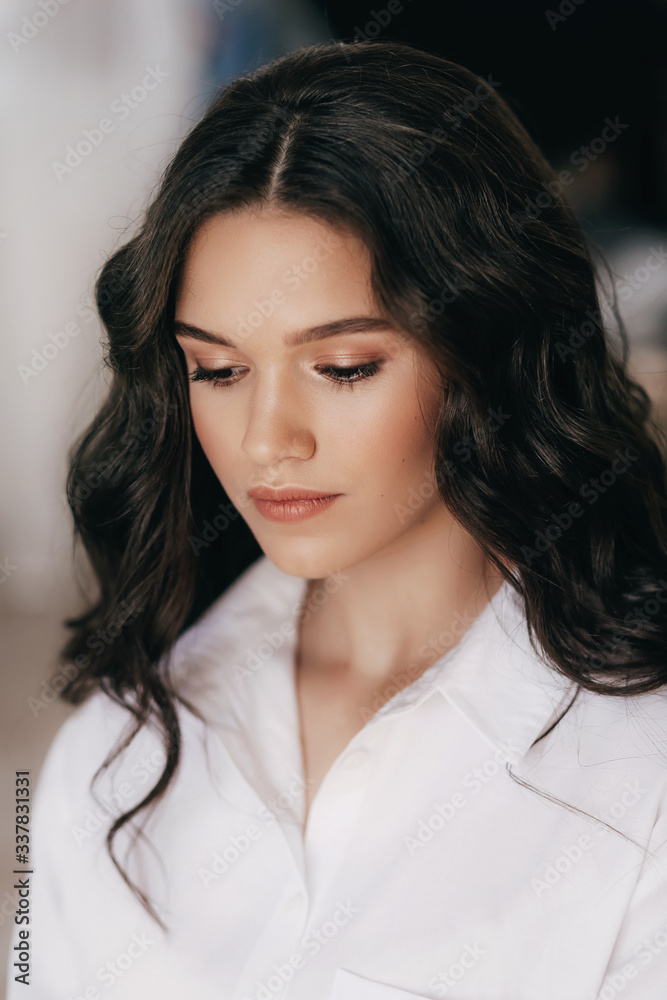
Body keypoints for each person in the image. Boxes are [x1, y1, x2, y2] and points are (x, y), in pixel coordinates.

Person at [8, 38, 667, 1000]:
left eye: (344, 366)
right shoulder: (122, 744)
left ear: (484, 346)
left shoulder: (635, 766)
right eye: (219, 370)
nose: (268, 439)